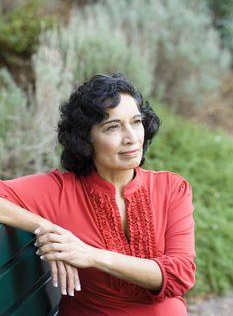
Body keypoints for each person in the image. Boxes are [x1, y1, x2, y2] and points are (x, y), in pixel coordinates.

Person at [0, 73, 196, 316]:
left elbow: (180, 275)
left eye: (136, 122)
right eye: (113, 127)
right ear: (85, 138)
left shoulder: (171, 188)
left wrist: (90, 255)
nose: (131, 138)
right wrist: (46, 226)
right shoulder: (60, 191)